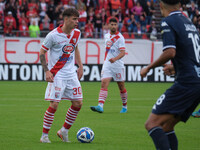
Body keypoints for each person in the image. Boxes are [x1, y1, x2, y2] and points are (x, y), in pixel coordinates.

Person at [140, 0, 200, 150]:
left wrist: (148, 68)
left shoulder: (168, 21)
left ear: (160, 5)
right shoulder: (188, 22)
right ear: (179, 5)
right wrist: (174, 68)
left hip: (187, 83)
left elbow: (170, 52)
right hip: (196, 82)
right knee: (166, 126)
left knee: (152, 124)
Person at [39, 8, 83, 143]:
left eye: (77, 19)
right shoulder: (53, 35)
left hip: (71, 74)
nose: (77, 22)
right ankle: (44, 136)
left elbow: (75, 47)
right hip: (56, 75)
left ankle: (63, 131)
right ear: (66, 19)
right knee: (54, 105)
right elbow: (42, 53)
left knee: (78, 103)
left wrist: (80, 66)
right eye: (74, 19)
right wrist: (46, 71)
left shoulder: (77, 33)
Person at [90, 18, 128, 113]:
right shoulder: (106, 36)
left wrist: (115, 59)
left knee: (121, 86)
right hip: (107, 64)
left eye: (115, 24)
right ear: (109, 25)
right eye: (112, 24)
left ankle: (124, 106)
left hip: (117, 65)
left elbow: (123, 52)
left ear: (117, 25)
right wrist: (109, 59)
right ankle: (100, 106)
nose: (113, 26)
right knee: (104, 83)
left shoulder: (120, 38)